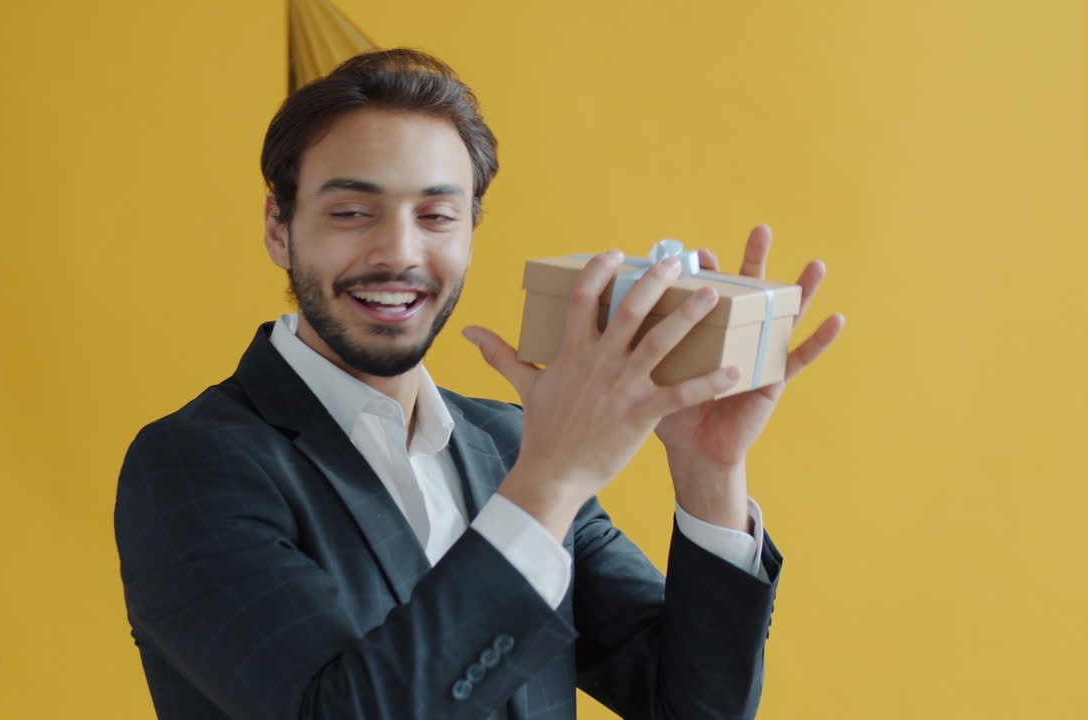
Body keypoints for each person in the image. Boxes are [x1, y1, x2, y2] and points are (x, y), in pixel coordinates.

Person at [114, 49, 844, 720]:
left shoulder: (510, 444)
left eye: (437, 215)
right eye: (351, 212)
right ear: (280, 226)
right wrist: (552, 480)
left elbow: (692, 708)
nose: (399, 252)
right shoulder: (189, 467)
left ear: (470, 231)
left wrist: (709, 469)